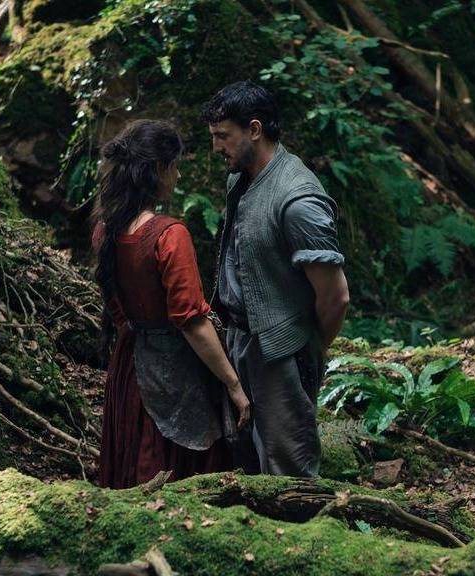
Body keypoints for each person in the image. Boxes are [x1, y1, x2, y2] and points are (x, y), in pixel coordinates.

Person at [202, 81, 350, 477]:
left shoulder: (298, 200)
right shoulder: (239, 179)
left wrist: (306, 349)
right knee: (244, 459)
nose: (216, 147)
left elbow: (336, 297)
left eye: (222, 136)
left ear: (254, 129)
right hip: (239, 340)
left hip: (281, 352)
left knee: (288, 467)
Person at [93, 119, 251, 489]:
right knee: (171, 470)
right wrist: (233, 384)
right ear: (159, 169)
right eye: (175, 166)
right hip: (174, 369)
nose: (177, 175)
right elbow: (191, 321)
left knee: (134, 458)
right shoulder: (169, 235)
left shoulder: (105, 229)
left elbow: (117, 307)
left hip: (130, 366)